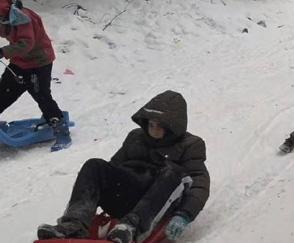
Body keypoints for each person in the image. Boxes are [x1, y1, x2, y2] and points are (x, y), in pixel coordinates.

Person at [37, 91, 210, 243]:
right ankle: (73, 225)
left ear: (173, 127)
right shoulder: (136, 137)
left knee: (174, 172)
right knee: (95, 165)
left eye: (159, 126)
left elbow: (199, 182)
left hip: (159, 201)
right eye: (151, 124)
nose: (153, 130)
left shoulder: (191, 145)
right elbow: (114, 168)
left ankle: (131, 228)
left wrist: (185, 214)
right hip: (129, 195)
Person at [0, 0, 71, 151]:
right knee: (3, 92)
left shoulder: (23, 18)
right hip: (19, 62)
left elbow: (26, 43)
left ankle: (61, 130)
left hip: (39, 63)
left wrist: (3, 52)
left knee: (42, 96)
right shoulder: (3, 18)